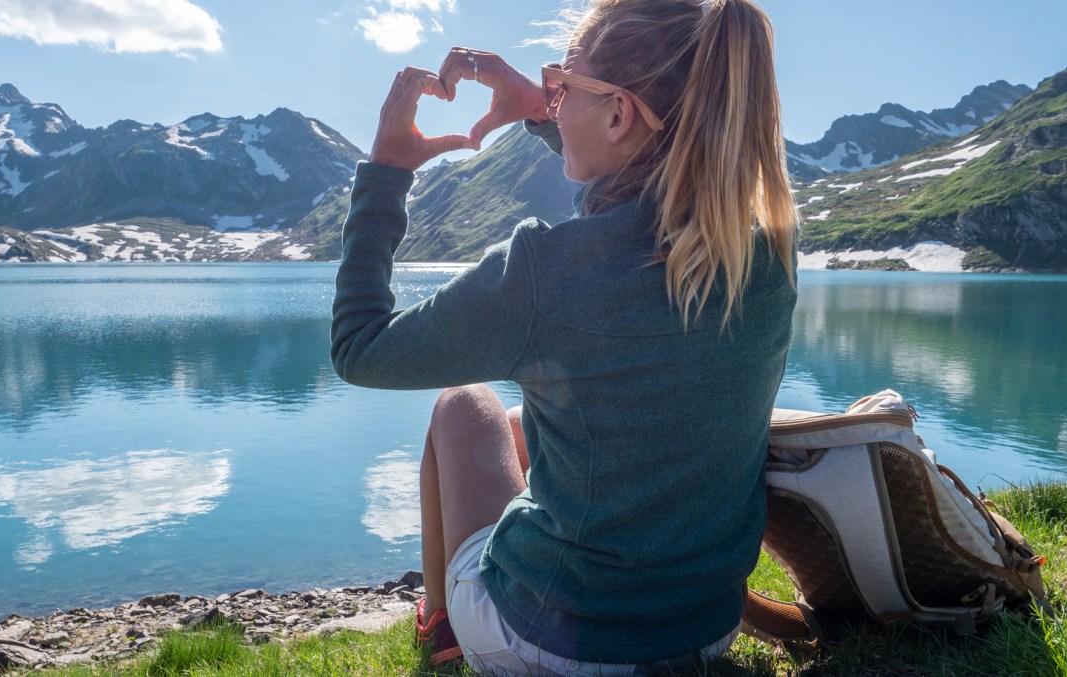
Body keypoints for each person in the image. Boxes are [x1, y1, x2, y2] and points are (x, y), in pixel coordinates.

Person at [330, 0, 798, 673]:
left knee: (464, 406)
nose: (552, 97)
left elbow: (358, 347)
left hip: (555, 645)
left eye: (562, 83)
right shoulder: (763, 260)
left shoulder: (545, 274)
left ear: (617, 114)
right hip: (705, 628)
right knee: (524, 424)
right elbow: (640, 197)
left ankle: (443, 629)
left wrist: (385, 173)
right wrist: (539, 108)